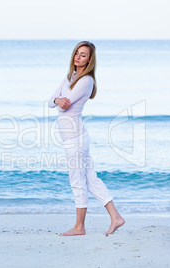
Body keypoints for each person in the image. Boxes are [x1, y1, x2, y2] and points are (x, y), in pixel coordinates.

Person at [48, 41, 124, 236]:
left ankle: (79, 227)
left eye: (83, 55)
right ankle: (116, 217)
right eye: (77, 53)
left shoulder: (86, 81)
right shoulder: (70, 77)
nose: (78, 57)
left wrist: (59, 100)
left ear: (89, 59)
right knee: (90, 179)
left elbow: (65, 104)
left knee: (77, 181)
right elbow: (51, 101)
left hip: (75, 139)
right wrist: (57, 99)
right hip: (74, 138)